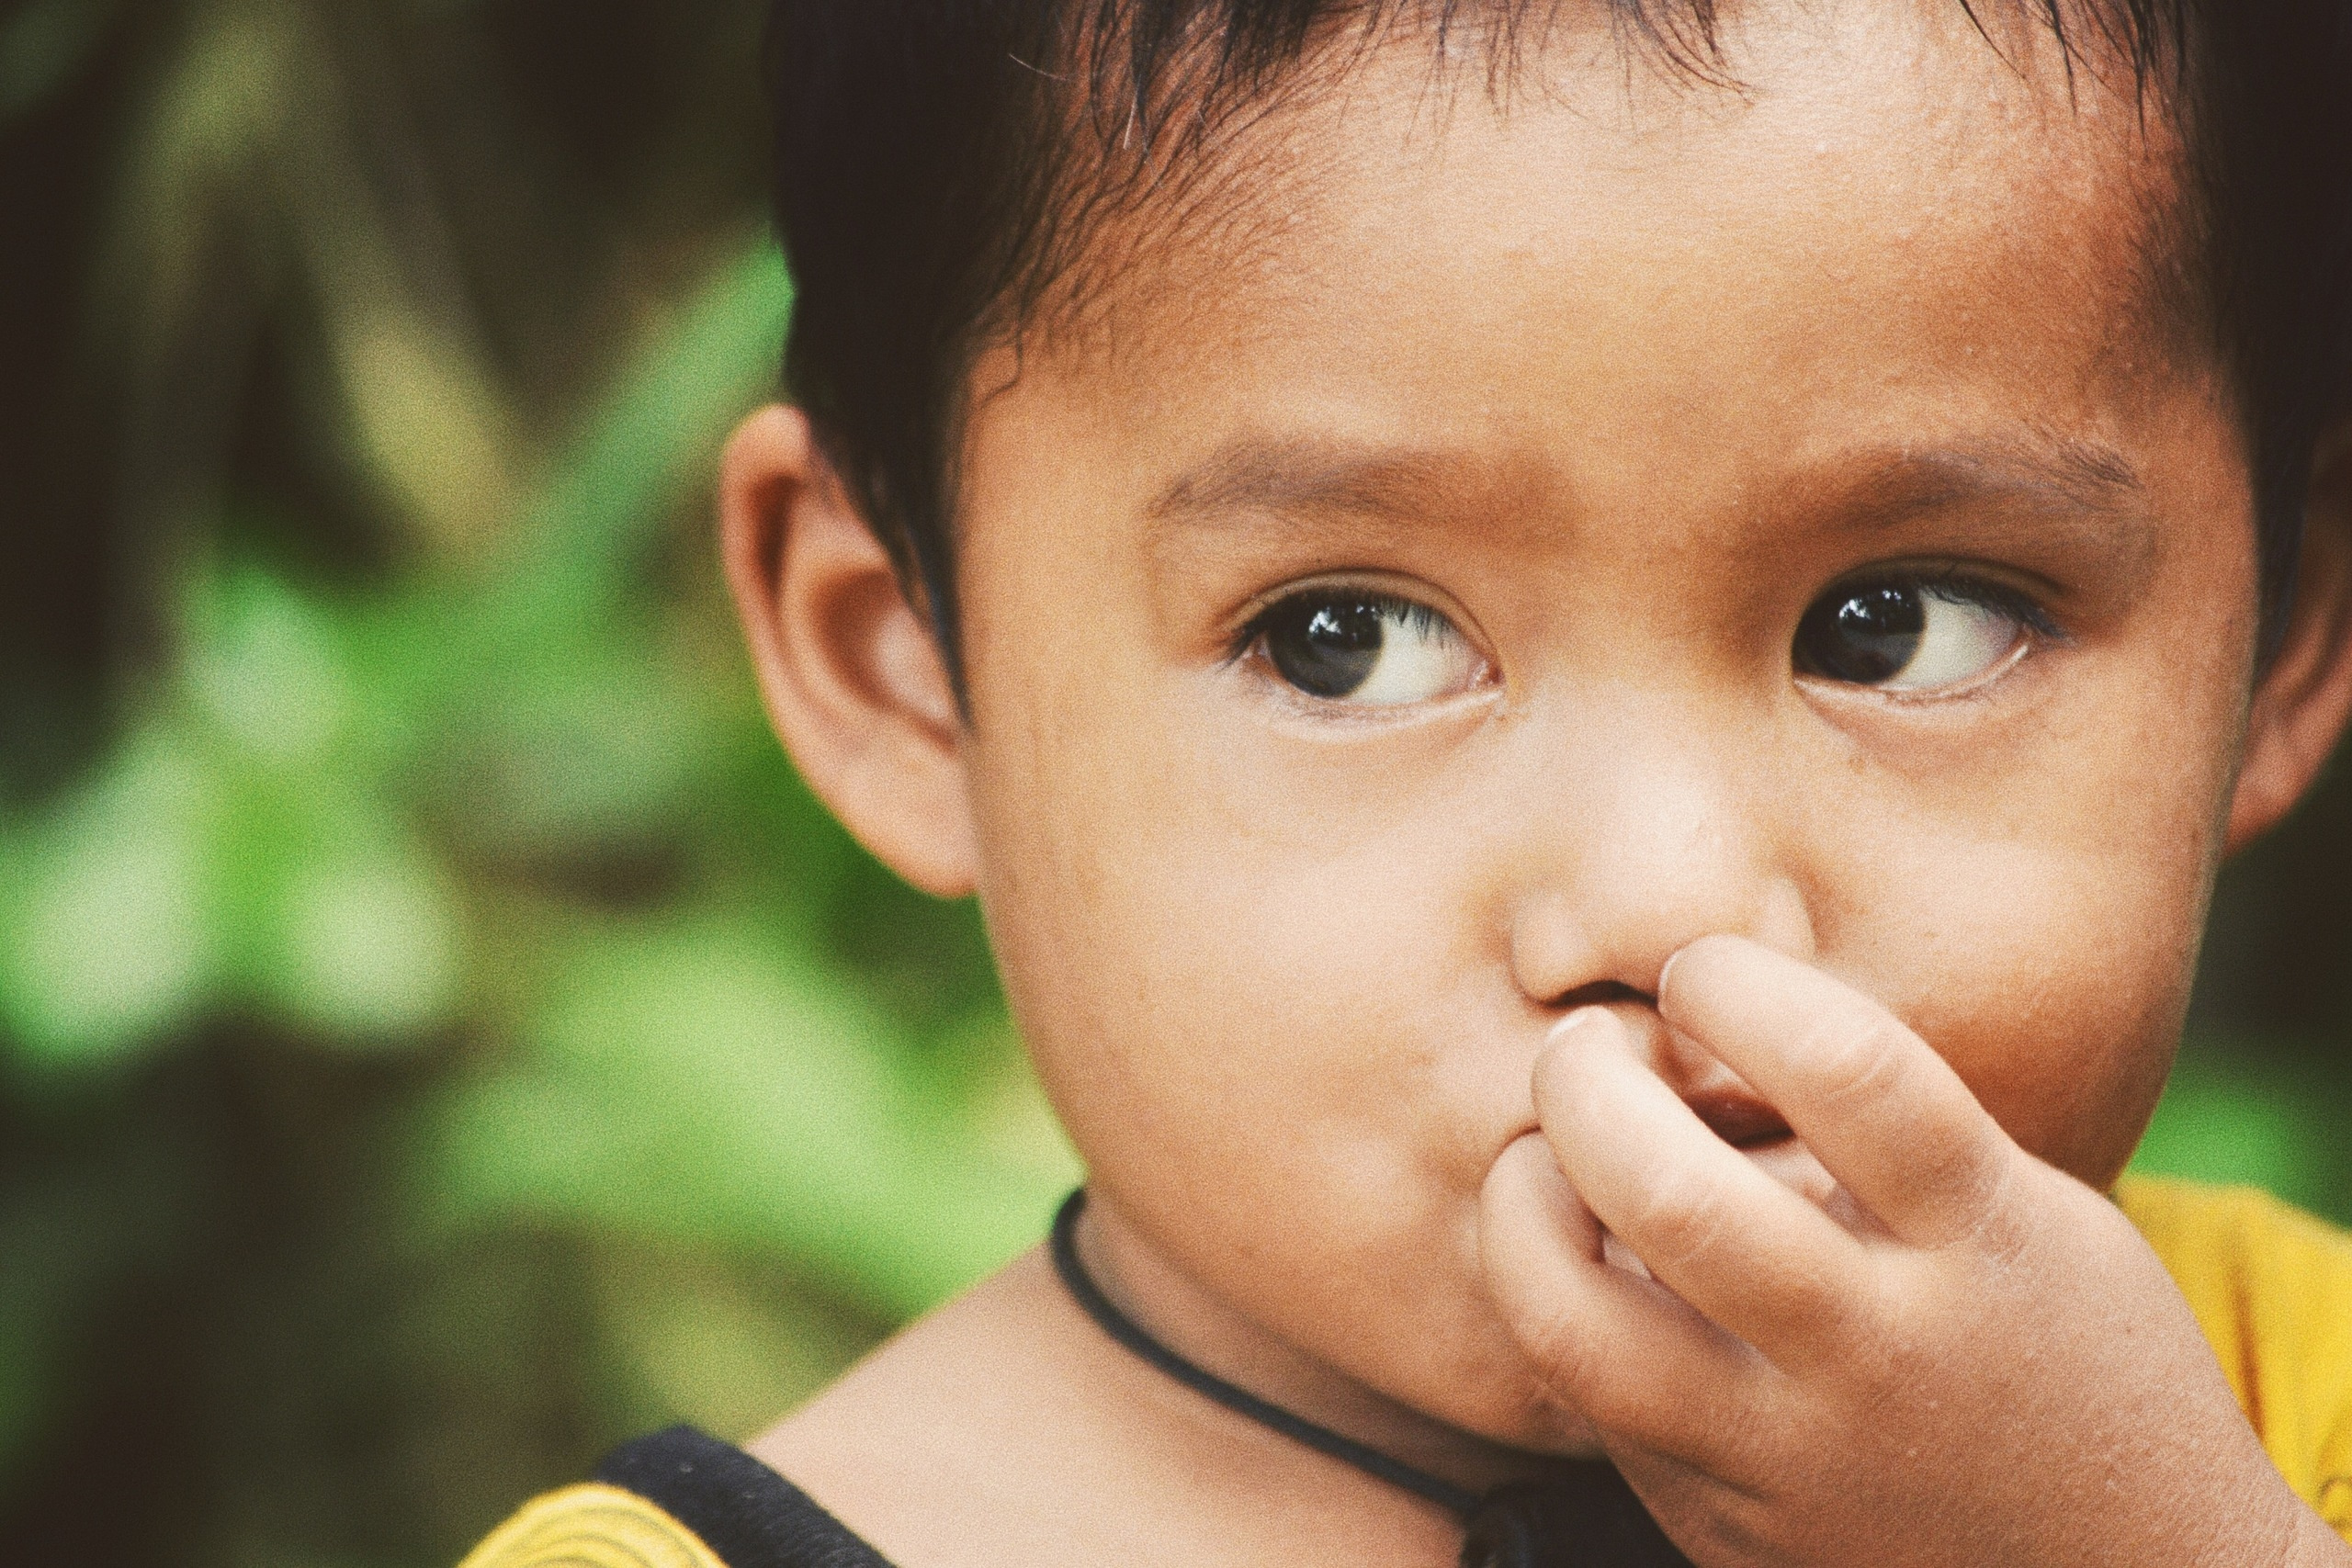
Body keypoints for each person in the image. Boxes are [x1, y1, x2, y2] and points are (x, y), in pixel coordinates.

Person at [460, 2, 2352, 1564]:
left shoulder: (2286, 1397)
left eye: (1900, 623)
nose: (1662, 892)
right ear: (901, 667)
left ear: (2276, 635)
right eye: (1339, 638)